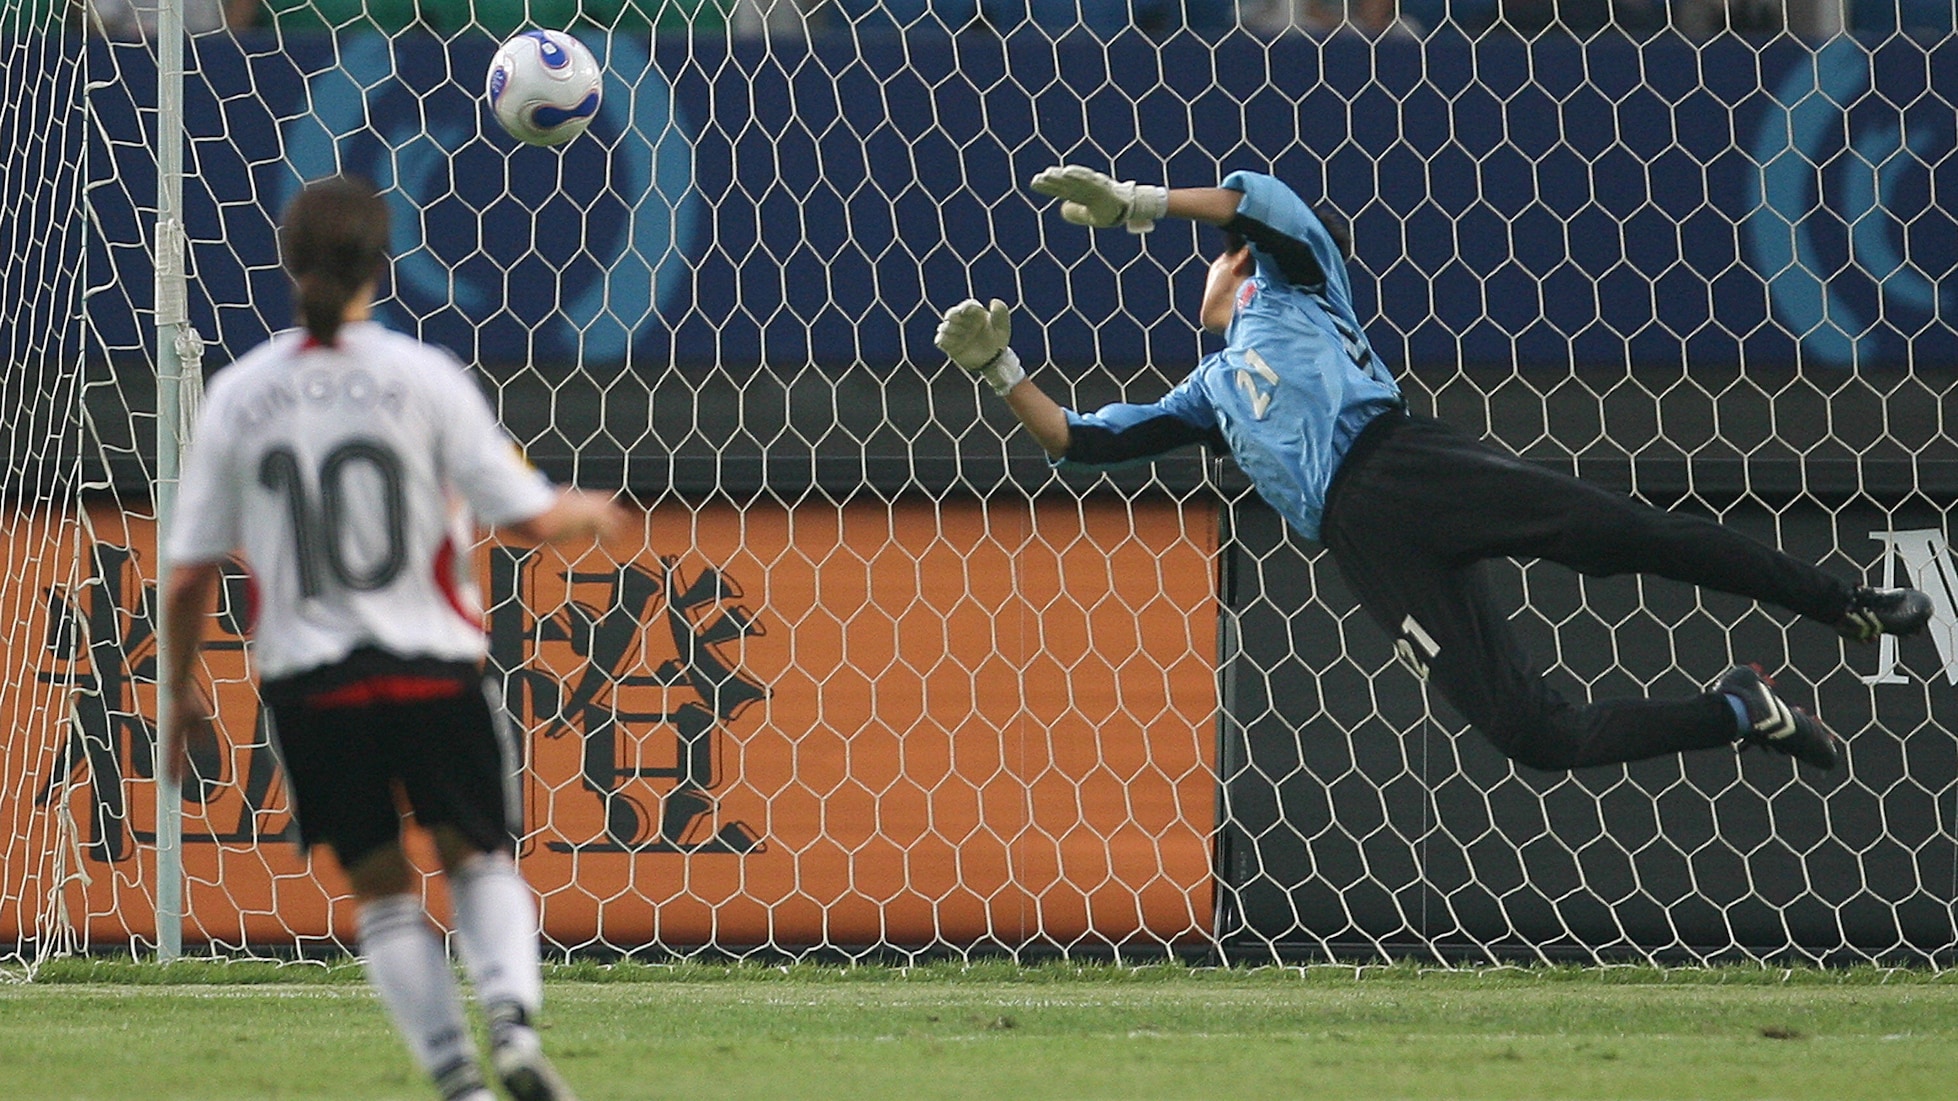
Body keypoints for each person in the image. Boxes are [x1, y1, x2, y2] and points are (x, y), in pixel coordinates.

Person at [934, 164, 1933, 774]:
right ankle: (1736, 711)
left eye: (1219, 255)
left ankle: (1839, 602)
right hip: (1363, 545)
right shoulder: (1204, 394)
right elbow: (1077, 439)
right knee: (1531, 736)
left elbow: (1260, 208)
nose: (1211, 265)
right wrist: (1000, 372)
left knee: (1629, 538)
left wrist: (1142, 203)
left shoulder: (1296, 287)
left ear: (1238, 267)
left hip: (1408, 465)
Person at [160, 176, 624, 1101]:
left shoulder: (237, 397)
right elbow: (529, 520)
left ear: (289, 266)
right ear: (385, 265)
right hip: (430, 669)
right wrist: (589, 510)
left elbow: (186, 574)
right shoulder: (426, 378)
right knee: (479, 857)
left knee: (382, 892)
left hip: (312, 687)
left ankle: (460, 1080)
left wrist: (180, 691)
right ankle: (513, 1025)